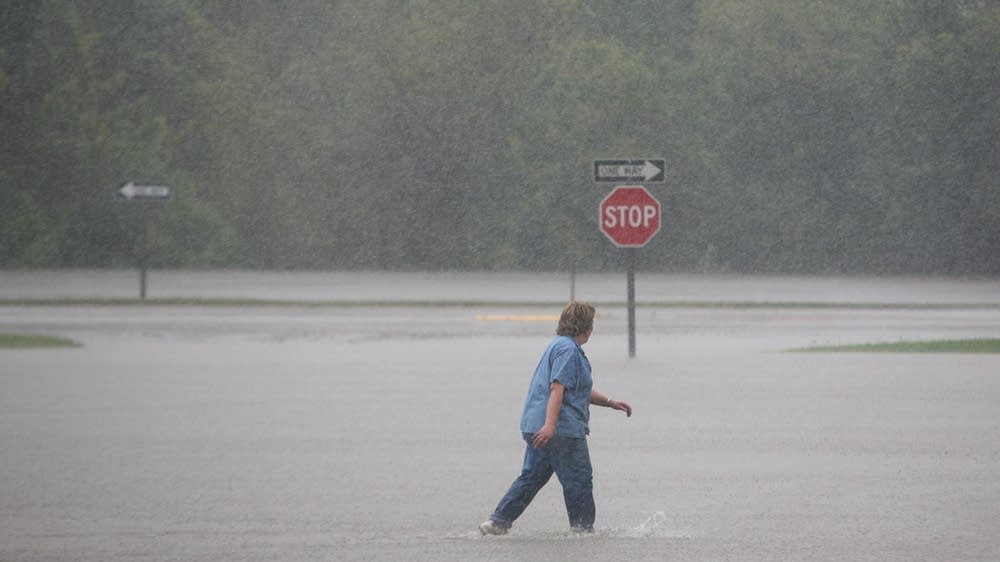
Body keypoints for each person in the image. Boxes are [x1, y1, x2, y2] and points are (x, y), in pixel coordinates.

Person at [479, 301, 632, 535]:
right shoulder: (569, 351)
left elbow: (576, 389)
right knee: (579, 481)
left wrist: (611, 403)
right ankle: (582, 531)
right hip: (561, 430)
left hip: (535, 426)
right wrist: (551, 426)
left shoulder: (558, 346)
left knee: (532, 477)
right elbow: (558, 388)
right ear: (587, 327)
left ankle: (497, 522)